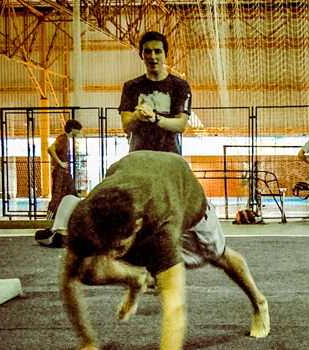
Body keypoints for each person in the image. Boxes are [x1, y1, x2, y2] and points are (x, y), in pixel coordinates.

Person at [60, 151, 269, 350]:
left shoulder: (161, 227)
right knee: (86, 270)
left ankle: (259, 302)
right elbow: (67, 281)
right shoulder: (84, 217)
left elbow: (174, 306)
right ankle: (136, 279)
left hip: (182, 190)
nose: (113, 257)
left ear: (138, 226)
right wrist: (87, 342)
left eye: (118, 247)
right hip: (136, 170)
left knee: (218, 255)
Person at [119, 31, 192, 154]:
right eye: (147, 51)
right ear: (141, 55)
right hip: (139, 156)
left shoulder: (180, 86)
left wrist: (155, 118)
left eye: (157, 51)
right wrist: (137, 116)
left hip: (169, 156)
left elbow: (181, 125)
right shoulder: (131, 87)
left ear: (165, 55)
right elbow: (126, 126)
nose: (152, 57)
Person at [47, 119, 83, 217]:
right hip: (60, 172)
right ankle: (50, 218)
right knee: (57, 195)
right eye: (78, 130)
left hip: (65, 172)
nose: (79, 132)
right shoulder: (62, 139)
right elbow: (50, 149)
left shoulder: (66, 139)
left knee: (72, 193)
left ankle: (73, 216)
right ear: (72, 129)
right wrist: (61, 163)